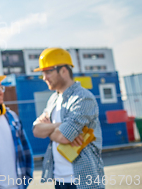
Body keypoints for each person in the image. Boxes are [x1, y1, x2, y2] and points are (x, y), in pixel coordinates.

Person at [32, 47, 104, 189]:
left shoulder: (83, 98)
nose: (44, 77)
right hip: (59, 180)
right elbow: (36, 130)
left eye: (48, 72)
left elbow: (64, 137)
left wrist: (51, 129)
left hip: (83, 180)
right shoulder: (53, 99)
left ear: (64, 70)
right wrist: (59, 126)